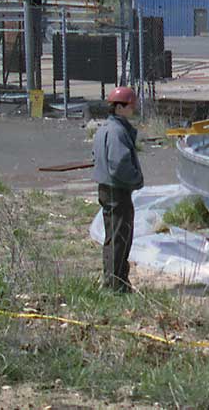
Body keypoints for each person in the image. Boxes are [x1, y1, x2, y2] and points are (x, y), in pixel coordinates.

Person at [92, 86, 143, 293]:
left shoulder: (104, 128)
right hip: (117, 190)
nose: (133, 109)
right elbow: (119, 164)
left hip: (107, 188)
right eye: (131, 105)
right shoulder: (117, 132)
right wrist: (136, 179)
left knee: (113, 236)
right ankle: (116, 284)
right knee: (120, 238)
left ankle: (114, 281)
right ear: (120, 107)